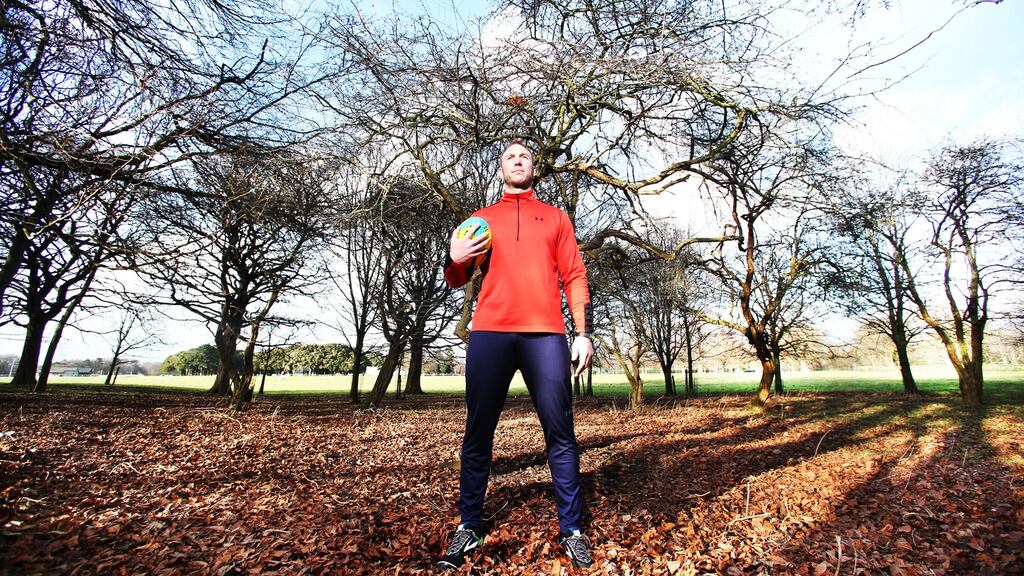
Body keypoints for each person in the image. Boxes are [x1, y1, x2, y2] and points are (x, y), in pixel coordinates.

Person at [437, 140, 595, 570]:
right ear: (501, 168)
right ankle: (469, 525)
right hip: (490, 332)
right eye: (510, 156)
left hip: (545, 335)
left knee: (560, 433)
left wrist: (583, 333)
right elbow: (457, 277)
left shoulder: (556, 217)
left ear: (533, 167)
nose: (518, 160)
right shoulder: (480, 221)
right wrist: (454, 261)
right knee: (477, 432)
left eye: (524, 156)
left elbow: (575, 275)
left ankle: (572, 529)